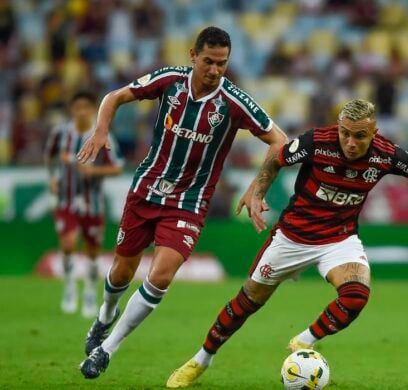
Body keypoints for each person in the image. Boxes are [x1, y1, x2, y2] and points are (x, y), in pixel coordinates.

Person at [166, 99, 408, 388]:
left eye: (359, 136)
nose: (350, 142)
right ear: (337, 128)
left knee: (357, 296)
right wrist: (258, 193)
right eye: (345, 133)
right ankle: (201, 360)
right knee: (248, 302)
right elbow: (275, 160)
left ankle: (304, 341)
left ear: (374, 131)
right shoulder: (317, 142)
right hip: (292, 236)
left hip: (339, 239)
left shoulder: (387, 155)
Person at [77, 26, 287, 379]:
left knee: (159, 276)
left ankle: (107, 349)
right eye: (208, 61)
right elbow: (114, 96)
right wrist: (100, 131)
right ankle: (105, 315)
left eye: (222, 63)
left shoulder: (234, 102)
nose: (215, 70)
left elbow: (279, 140)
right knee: (121, 271)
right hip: (146, 191)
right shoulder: (169, 80)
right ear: (193, 55)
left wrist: (257, 187)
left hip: (188, 203)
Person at [44, 91, 123, 318]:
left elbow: (117, 167)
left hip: (93, 203)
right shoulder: (61, 134)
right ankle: (69, 286)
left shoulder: (103, 135)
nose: (81, 112)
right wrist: (52, 177)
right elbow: (49, 156)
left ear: (92, 109)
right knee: (68, 244)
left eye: (85, 107)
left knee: (92, 252)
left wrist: (94, 171)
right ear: (72, 110)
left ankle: (89, 291)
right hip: (66, 200)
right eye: (77, 107)